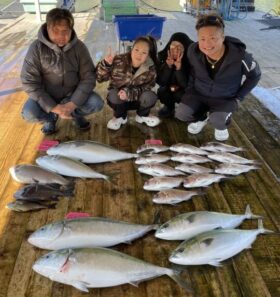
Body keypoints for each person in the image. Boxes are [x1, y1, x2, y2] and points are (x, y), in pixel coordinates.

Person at [175, 13, 261, 141]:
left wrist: (238, 98)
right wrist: (190, 89)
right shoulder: (193, 51)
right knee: (181, 114)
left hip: (225, 98)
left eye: (213, 38)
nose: (207, 44)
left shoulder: (241, 56)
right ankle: (202, 118)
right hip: (199, 93)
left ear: (222, 37)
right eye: (202, 39)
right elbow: (193, 70)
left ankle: (221, 125)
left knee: (218, 120)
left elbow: (255, 76)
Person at [21, 8, 104, 135]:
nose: (61, 36)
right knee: (29, 113)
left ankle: (75, 115)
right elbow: (29, 82)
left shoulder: (80, 48)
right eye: (55, 31)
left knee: (96, 103)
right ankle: (51, 118)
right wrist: (53, 107)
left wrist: (72, 104)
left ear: (71, 30)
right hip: (47, 96)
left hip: (73, 94)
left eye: (65, 31)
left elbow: (88, 78)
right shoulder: (36, 48)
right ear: (47, 28)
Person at [96, 36, 160, 130]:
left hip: (137, 100)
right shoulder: (118, 60)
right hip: (119, 99)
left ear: (148, 55)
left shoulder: (150, 68)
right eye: (136, 50)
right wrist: (106, 65)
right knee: (113, 95)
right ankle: (120, 117)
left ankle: (142, 115)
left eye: (144, 52)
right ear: (131, 49)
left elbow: (148, 87)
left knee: (150, 96)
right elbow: (99, 78)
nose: (139, 54)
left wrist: (129, 94)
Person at [157, 32, 193, 118]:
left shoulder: (191, 61)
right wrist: (168, 66)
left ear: (185, 48)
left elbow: (187, 85)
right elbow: (161, 82)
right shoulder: (163, 57)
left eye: (179, 47)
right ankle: (169, 107)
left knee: (180, 95)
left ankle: (190, 110)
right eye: (173, 46)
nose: (176, 50)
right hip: (169, 88)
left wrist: (179, 68)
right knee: (162, 91)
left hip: (185, 92)